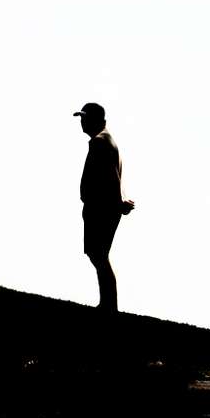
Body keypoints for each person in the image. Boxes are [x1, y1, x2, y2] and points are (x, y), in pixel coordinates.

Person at [75, 102, 135, 313]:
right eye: (82, 117)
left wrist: (118, 202)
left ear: (100, 120)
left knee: (98, 255)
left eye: (86, 117)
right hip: (102, 207)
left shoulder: (100, 143)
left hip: (101, 208)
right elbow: (116, 178)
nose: (82, 121)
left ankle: (109, 306)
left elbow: (111, 177)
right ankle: (108, 304)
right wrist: (121, 201)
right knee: (98, 254)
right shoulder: (105, 142)